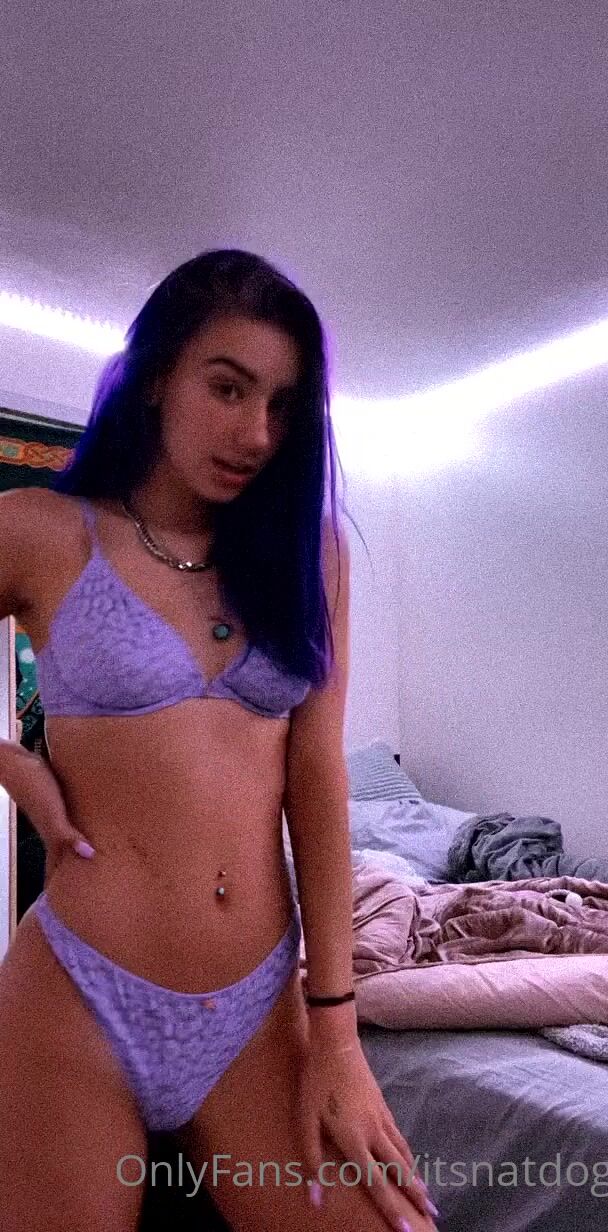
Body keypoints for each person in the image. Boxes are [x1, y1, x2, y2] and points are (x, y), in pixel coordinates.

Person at [0, 249, 439, 1232]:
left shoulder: (310, 551)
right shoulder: (41, 529)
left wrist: (338, 1033)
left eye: (282, 404)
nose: (256, 433)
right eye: (228, 387)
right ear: (159, 374)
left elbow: (317, 779)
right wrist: (13, 764)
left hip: (258, 1009)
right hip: (78, 993)